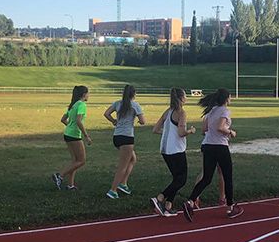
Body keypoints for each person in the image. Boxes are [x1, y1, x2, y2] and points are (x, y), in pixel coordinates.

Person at [182, 88, 244, 221]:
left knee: (207, 177)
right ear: (226, 99)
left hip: (207, 145)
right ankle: (230, 207)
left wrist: (214, 132)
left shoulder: (211, 111)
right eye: (230, 97)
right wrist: (230, 132)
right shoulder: (225, 111)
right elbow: (220, 127)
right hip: (220, 146)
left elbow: (204, 129)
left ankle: (190, 201)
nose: (231, 99)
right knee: (227, 176)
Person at [152, 88, 196, 217]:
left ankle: (168, 206)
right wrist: (191, 131)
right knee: (182, 179)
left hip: (165, 149)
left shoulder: (168, 111)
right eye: (185, 96)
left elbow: (155, 129)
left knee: (176, 178)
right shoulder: (181, 113)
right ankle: (160, 198)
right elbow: (181, 133)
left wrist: (168, 133)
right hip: (176, 149)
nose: (186, 98)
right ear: (182, 98)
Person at [103, 85, 145, 199]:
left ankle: (123, 183)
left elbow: (106, 113)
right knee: (122, 166)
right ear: (134, 94)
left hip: (117, 136)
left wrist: (114, 121)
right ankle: (113, 190)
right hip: (127, 138)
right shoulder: (135, 105)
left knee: (133, 159)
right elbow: (143, 121)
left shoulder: (118, 103)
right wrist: (138, 120)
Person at [53, 85, 91, 190]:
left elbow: (63, 119)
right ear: (84, 94)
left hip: (67, 134)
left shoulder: (73, 105)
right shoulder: (82, 105)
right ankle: (60, 176)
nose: (89, 95)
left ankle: (70, 185)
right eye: (88, 93)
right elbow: (79, 121)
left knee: (75, 160)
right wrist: (86, 136)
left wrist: (69, 126)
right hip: (74, 135)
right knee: (82, 161)